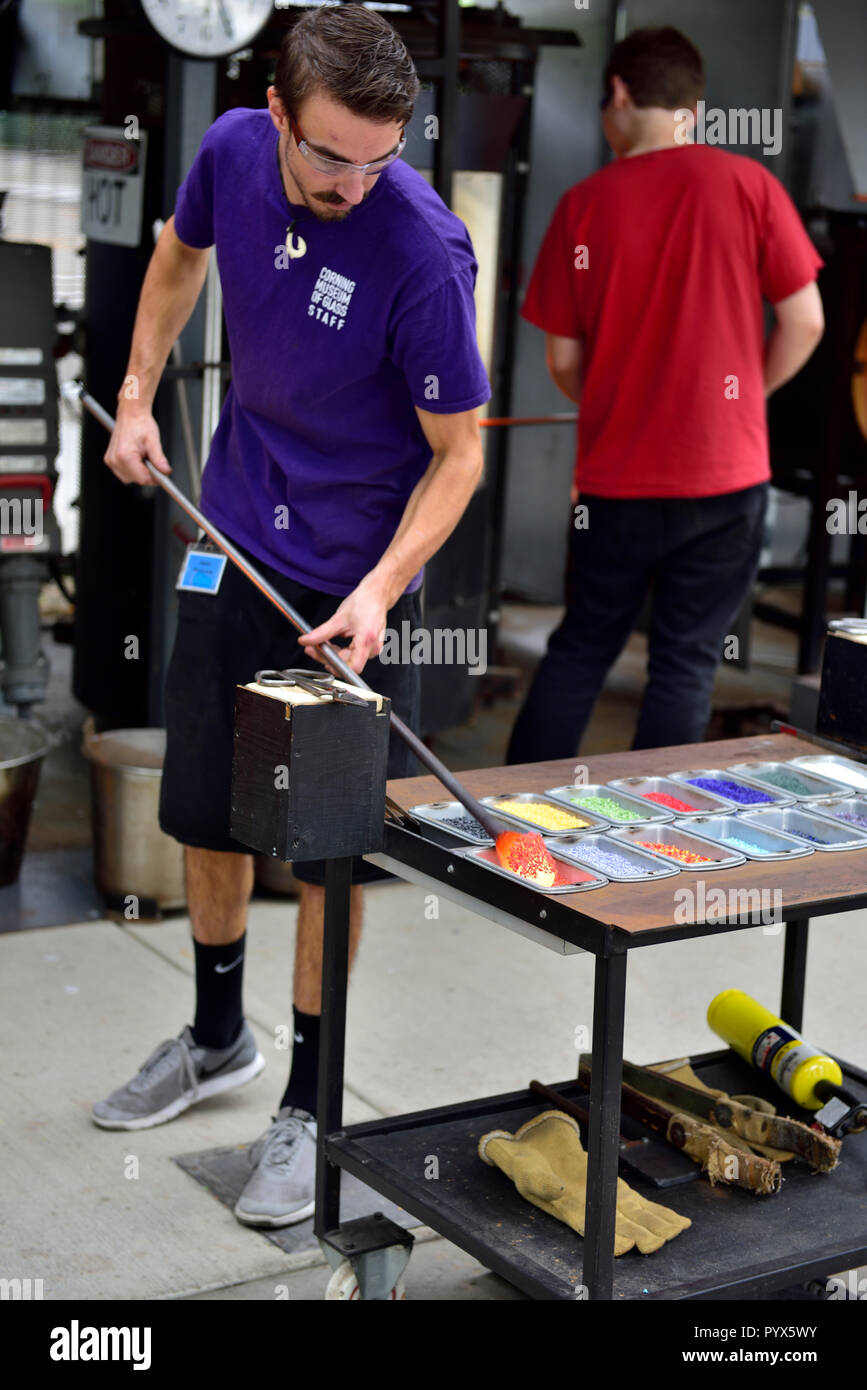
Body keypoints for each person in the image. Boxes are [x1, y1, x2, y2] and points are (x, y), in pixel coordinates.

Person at [94, 3, 490, 1228]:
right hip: (229, 540)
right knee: (209, 806)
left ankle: (311, 1100)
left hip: (349, 593)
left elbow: (459, 457)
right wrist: (137, 395)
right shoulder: (225, 153)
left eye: (381, 158)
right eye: (330, 156)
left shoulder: (422, 250)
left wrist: (379, 590)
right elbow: (176, 254)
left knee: (326, 855)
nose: (354, 182)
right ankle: (219, 1037)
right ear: (278, 114)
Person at [507, 26, 824, 765]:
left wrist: (622, 402)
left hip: (613, 487)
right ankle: (653, 837)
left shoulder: (584, 206)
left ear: (617, 93)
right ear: (691, 105)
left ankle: (506, 825)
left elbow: (562, 359)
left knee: (580, 649)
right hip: (726, 479)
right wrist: (742, 398)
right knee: (685, 665)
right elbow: (805, 319)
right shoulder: (749, 186)